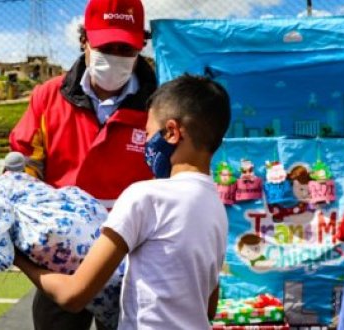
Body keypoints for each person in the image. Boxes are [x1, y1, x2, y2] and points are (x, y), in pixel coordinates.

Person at [14, 74, 230, 330]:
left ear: (171, 132)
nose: (147, 145)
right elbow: (209, 307)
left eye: (148, 134)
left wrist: (19, 259)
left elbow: (73, 296)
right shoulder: (216, 207)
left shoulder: (145, 197)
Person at [8, 0, 156, 328]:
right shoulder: (48, 97)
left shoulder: (158, 104)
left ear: (141, 46)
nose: (116, 56)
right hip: (60, 255)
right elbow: (26, 160)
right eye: (106, 46)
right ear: (84, 40)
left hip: (131, 257)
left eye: (126, 48)